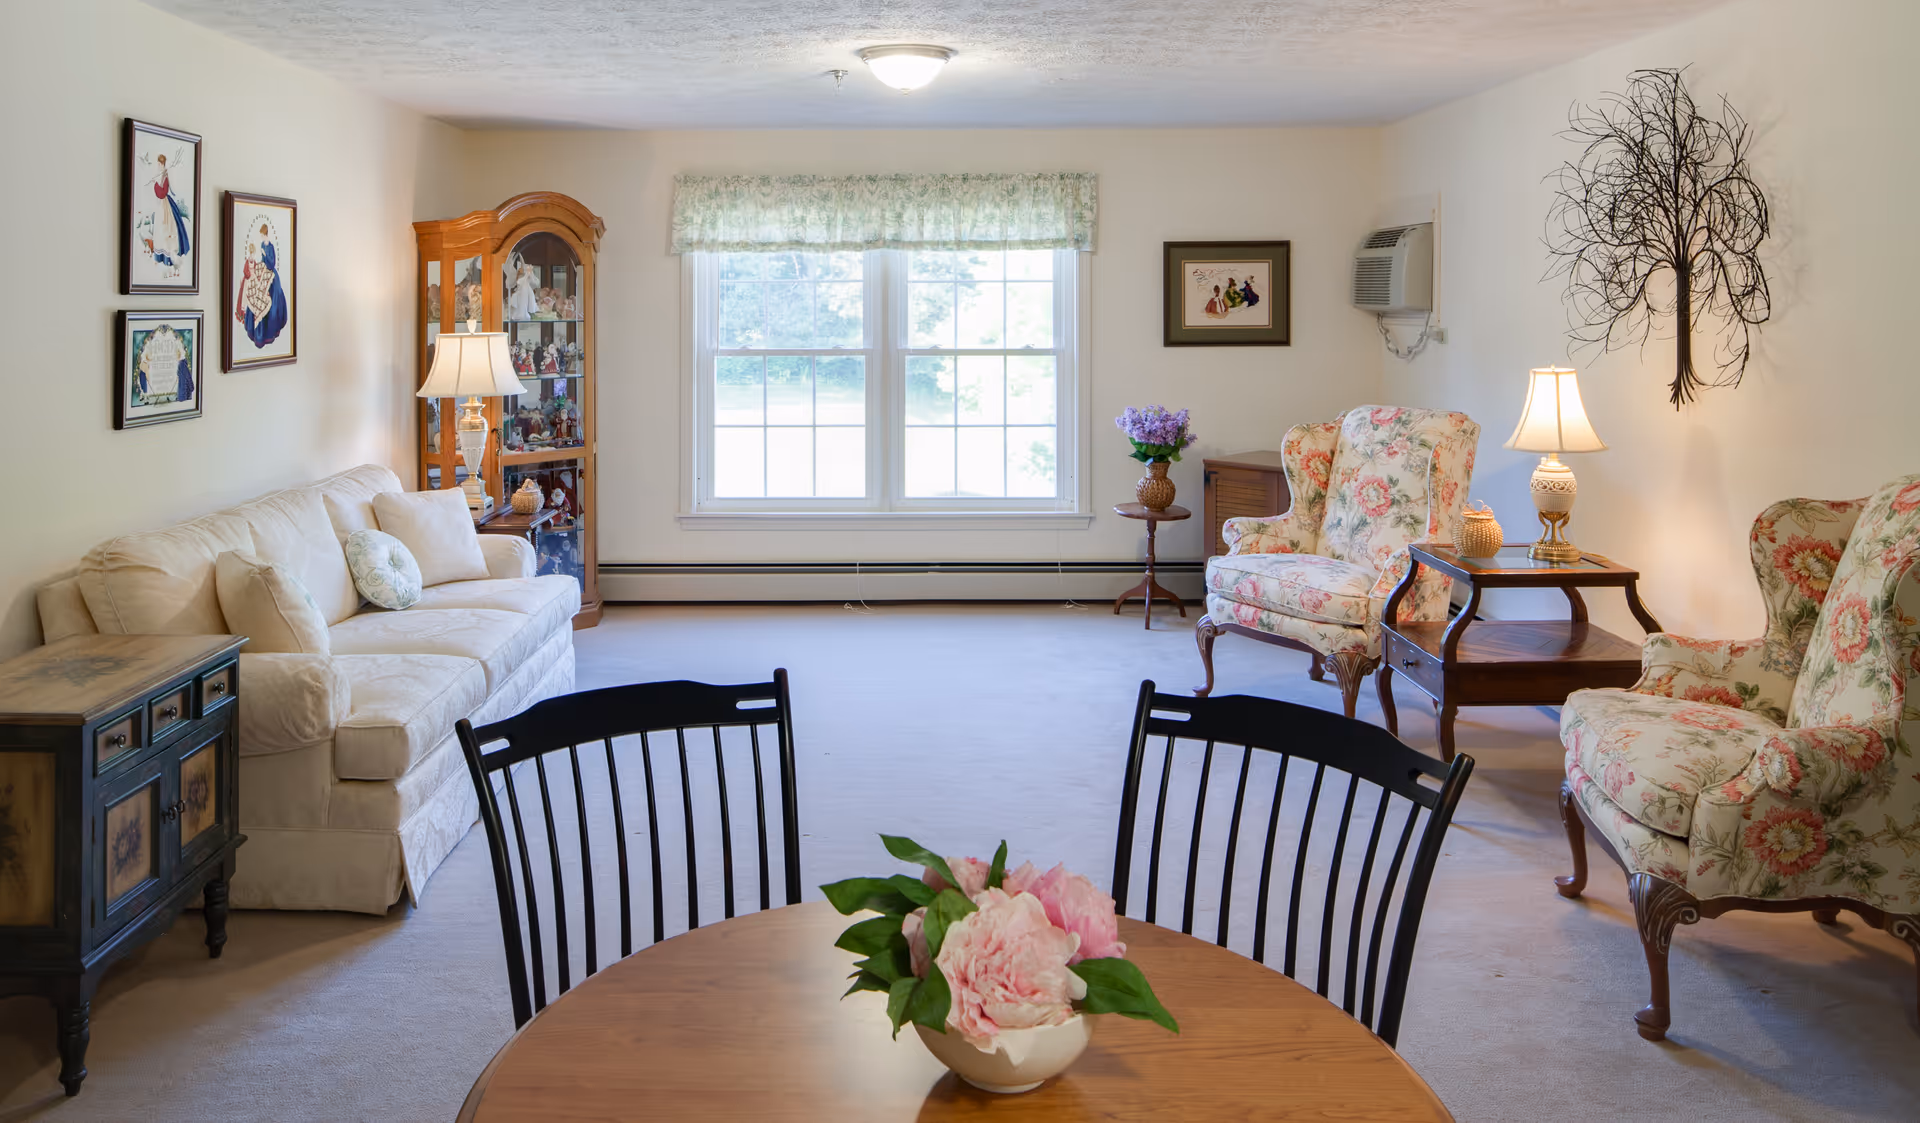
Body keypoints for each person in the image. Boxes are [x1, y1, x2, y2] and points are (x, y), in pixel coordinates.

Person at [235, 220, 290, 348]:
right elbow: (263, 261)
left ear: (265, 234)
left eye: (262, 234)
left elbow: (271, 263)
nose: (261, 237)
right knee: (255, 285)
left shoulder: (269, 246)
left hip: (270, 271)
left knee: (269, 292)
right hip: (264, 268)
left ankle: (268, 329)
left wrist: (266, 256)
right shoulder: (261, 244)